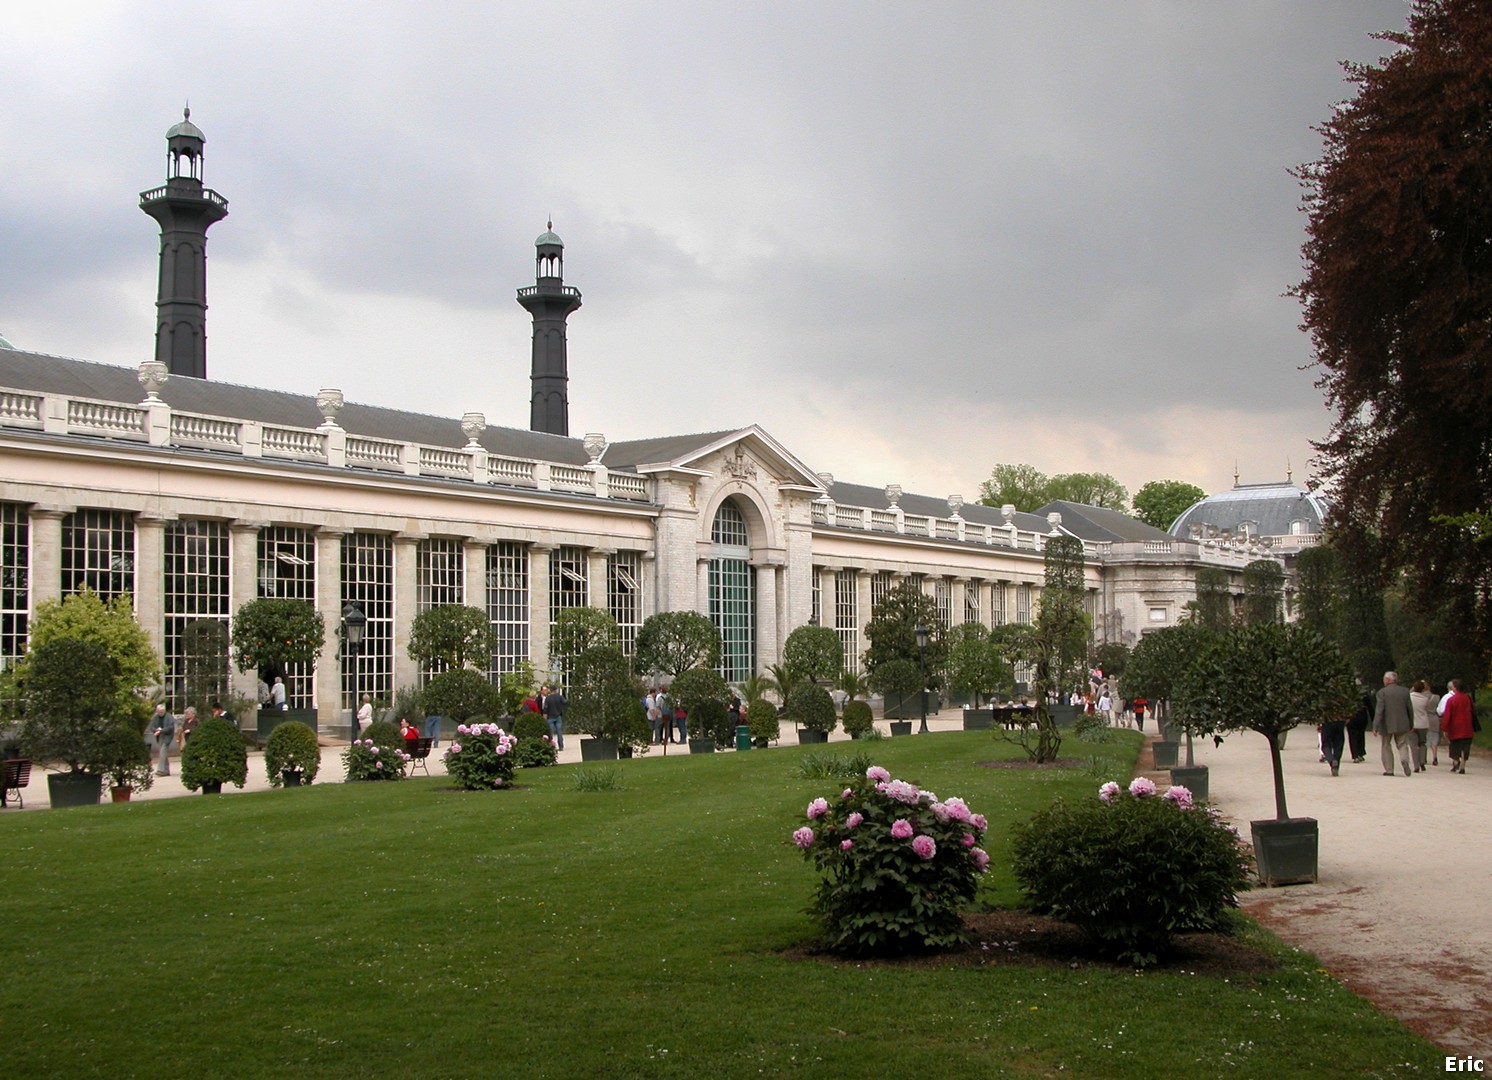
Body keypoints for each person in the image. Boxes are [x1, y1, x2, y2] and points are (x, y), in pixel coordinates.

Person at [1373, 671, 1415, 777]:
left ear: (1387, 680)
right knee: (1402, 744)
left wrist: (1375, 725)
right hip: (1402, 722)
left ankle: (1389, 769)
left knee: (1386, 745)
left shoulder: (1382, 692)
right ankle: (1404, 760)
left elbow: (1379, 710)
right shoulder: (1405, 691)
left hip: (1387, 723)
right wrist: (1411, 723)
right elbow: (1410, 709)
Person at [1439, 678, 1476, 774]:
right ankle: (1463, 765)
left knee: (1454, 746)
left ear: (1455, 688)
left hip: (1455, 727)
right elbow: (1473, 712)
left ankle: (1456, 762)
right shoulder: (1468, 698)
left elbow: (1447, 715)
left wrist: (1444, 728)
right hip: (1467, 726)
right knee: (1465, 746)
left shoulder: (1451, 700)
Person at [1409, 679, 1437, 771]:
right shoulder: (1425, 699)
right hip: (1423, 723)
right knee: (1422, 743)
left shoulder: (1409, 698)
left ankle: (1416, 765)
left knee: (1413, 745)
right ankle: (1422, 761)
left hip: (1412, 724)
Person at [1320, 704, 1349, 777]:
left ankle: (1331, 760)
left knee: (1325, 744)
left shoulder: (1326, 697)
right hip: (1340, 722)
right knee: (1338, 745)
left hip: (1328, 722)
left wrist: (1319, 722)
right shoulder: (1344, 696)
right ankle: (1336, 765)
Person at [150, 703, 176, 777]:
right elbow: (152, 726)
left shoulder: (169, 717)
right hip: (159, 736)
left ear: (164, 711)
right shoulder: (156, 717)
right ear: (157, 711)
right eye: (159, 712)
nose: (161, 713)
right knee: (163, 753)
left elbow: (170, 727)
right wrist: (155, 730)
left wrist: (161, 731)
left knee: (162, 752)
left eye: (162, 711)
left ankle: (161, 770)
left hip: (167, 736)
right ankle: (166, 771)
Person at [1347, 688, 1372, 764]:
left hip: (1352, 717)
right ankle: (1360, 753)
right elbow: (1370, 707)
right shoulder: (1364, 694)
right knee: (1361, 735)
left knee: (1352, 736)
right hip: (1362, 717)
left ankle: (1355, 755)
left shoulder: (1348, 694)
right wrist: (1373, 717)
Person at [542, 683, 566, 750]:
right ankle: (561, 746)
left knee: (550, 732)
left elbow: (545, 708)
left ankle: (550, 746)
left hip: (550, 717)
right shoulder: (559, 697)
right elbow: (565, 702)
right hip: (558, 716)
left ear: (550, 690)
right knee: (559, 732)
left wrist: (544, 716)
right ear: (555, 690)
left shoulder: (548, 698)